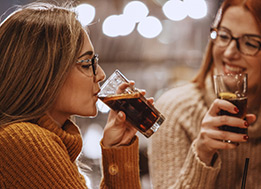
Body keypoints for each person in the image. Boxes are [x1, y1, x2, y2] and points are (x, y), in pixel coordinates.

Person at [148, 0, 261, 188]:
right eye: (224, 36)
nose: (229, 53)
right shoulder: (175, 110)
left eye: (250, 43)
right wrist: (202, 154)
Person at [0, 2, 149, 188]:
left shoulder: (37, 139)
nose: (101, 74)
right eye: (87, 64)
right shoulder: (25, 139)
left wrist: (118, 148)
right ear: (44, 71)